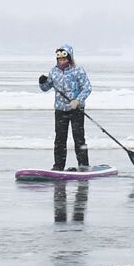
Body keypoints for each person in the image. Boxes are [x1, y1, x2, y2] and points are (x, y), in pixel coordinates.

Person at [38, 43, 91, 171]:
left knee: (79, 138)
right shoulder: (53, 71)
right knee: (60, 139)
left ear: (70, 58)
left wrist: (77, 101)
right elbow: (46, 88)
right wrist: (42, 82)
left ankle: (83, 165)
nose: (62, 61)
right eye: (60, 59)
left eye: (64, 59)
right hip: (60, 110)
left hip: (76, 110)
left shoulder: (78, 70)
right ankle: (58, 166)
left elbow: (87, 88)